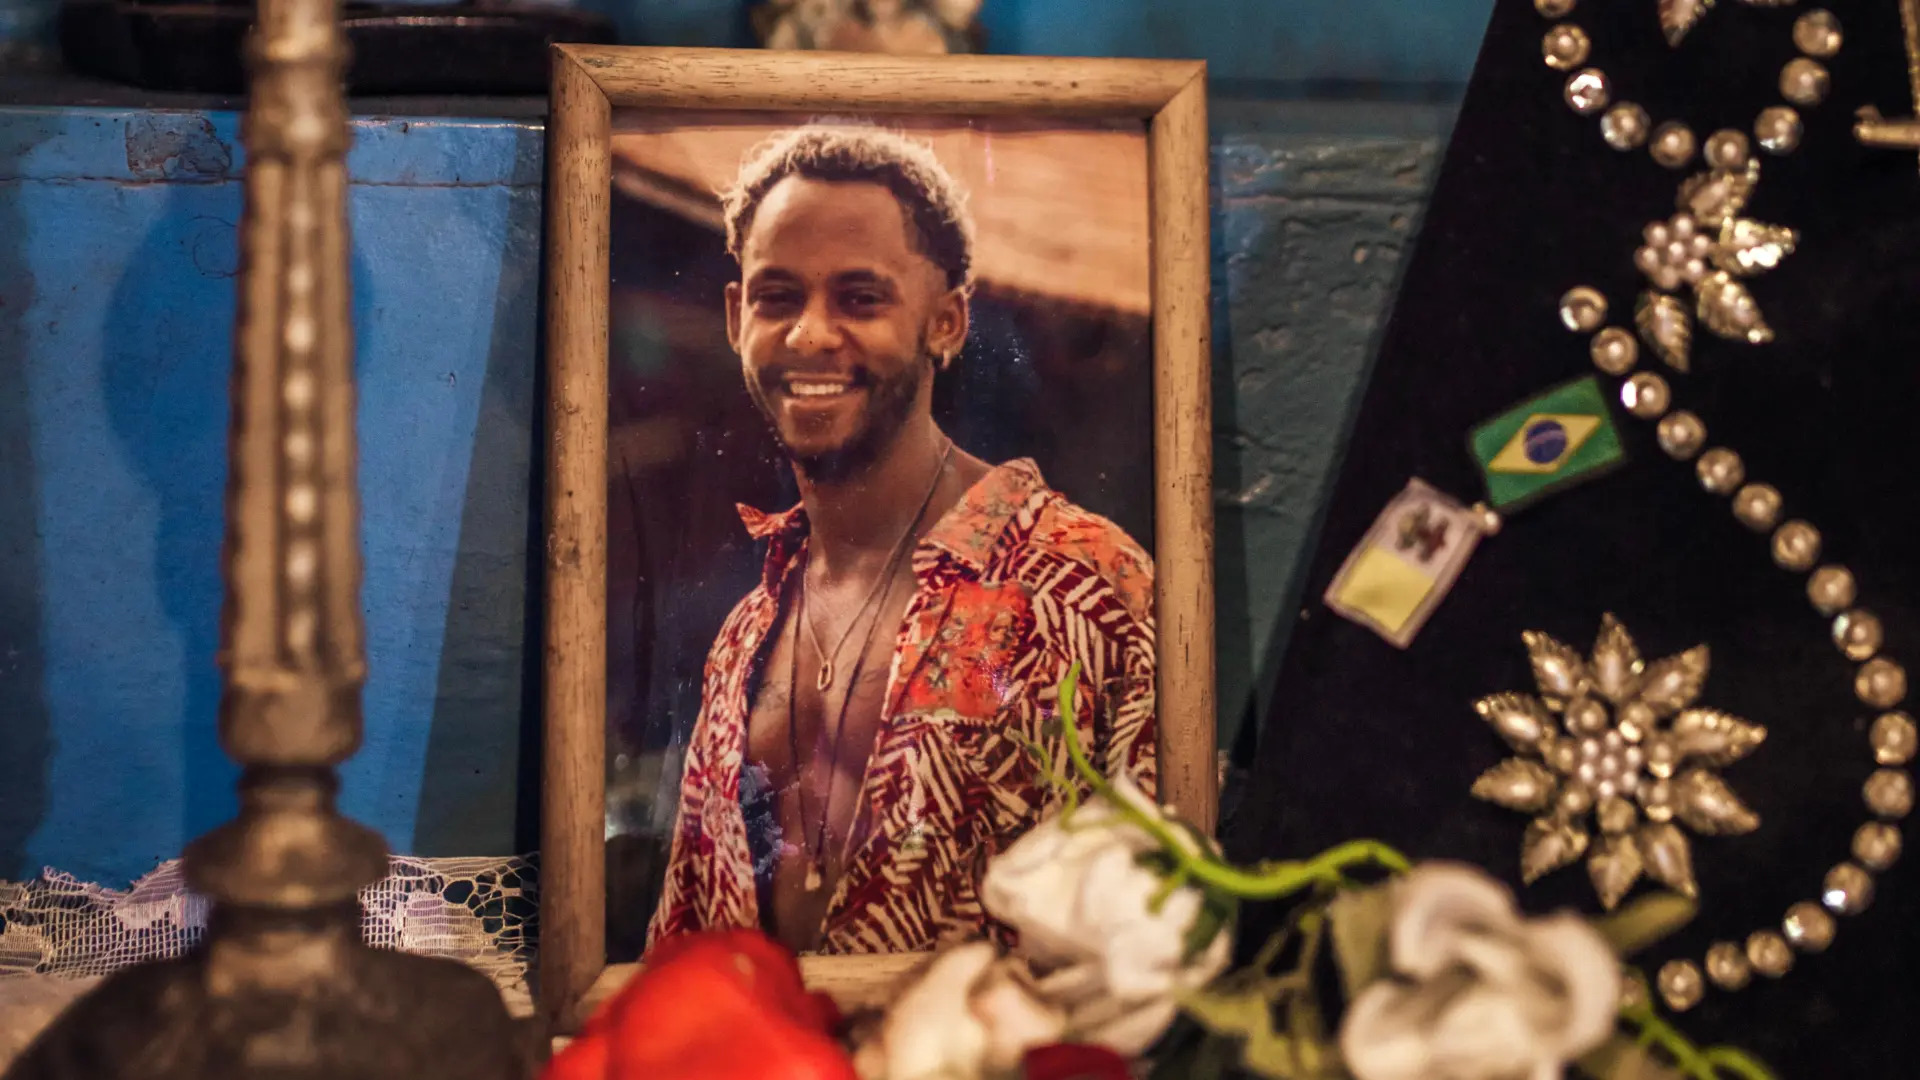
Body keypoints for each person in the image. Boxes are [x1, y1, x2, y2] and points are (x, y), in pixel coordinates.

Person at [645, 125, 1157, 955]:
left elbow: (1168, 925)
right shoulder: (743, 640)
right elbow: (687, 947)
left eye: (860, 298)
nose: (810, 334)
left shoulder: (1087, 585)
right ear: (737, 317)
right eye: (778, 297)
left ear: (946, 322)